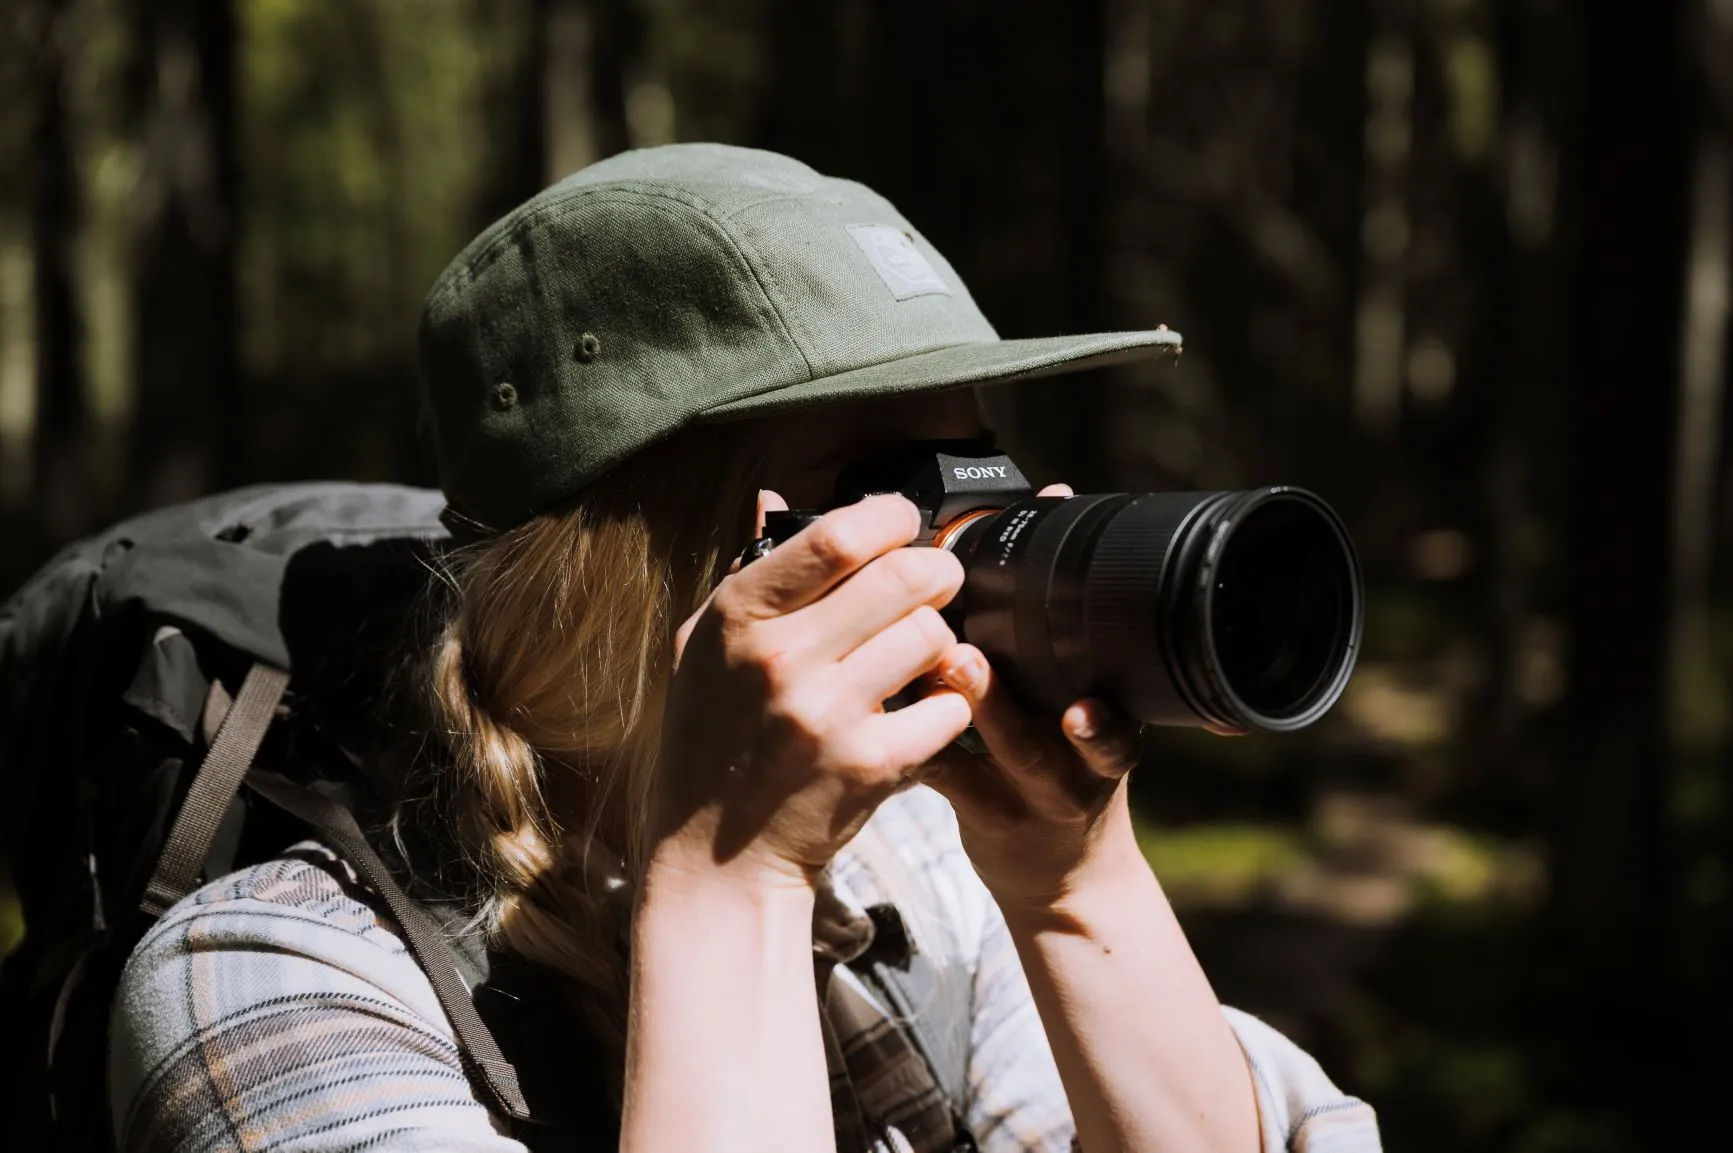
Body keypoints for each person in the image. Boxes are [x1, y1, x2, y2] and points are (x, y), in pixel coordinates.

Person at [106, 143, 1381, 1153]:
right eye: (887, 485)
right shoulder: (265, 984)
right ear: (604, 564)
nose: (975, 531)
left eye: (974, 462)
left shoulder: (919, 868)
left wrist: (1070, 880)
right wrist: (732, 876)